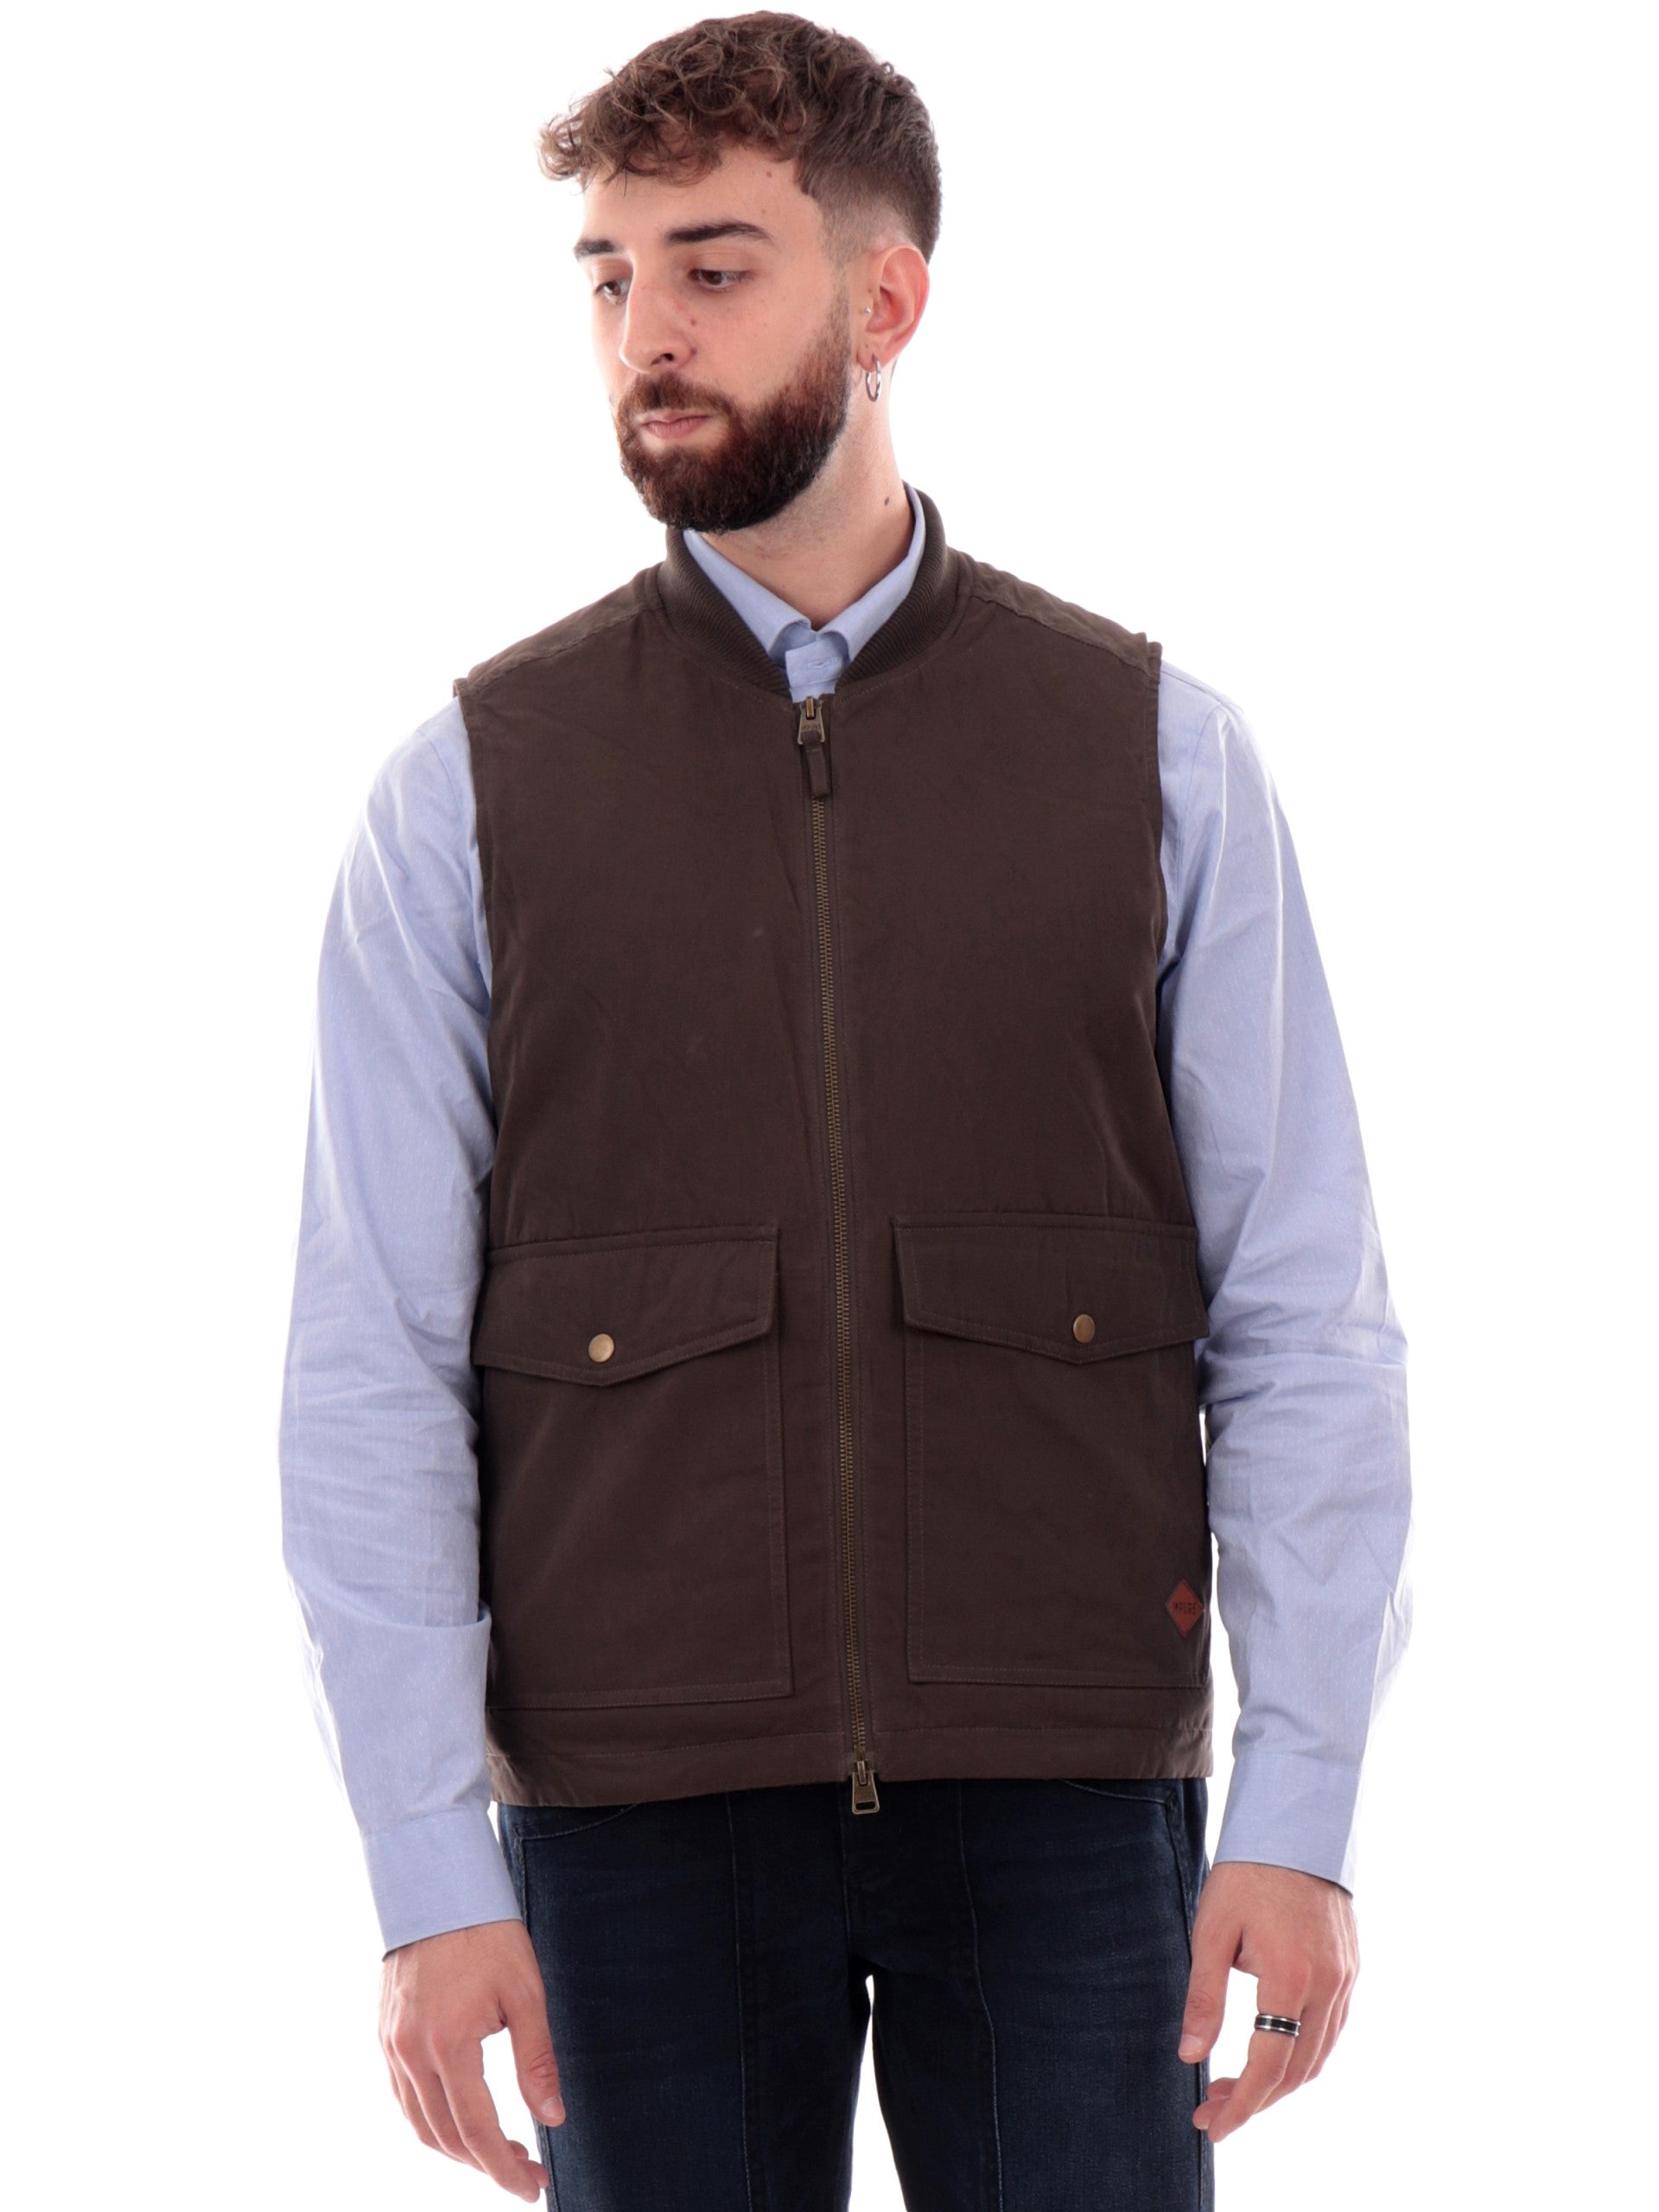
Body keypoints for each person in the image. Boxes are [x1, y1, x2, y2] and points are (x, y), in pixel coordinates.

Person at [278, 14, 1413, 2209]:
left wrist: (1302, 1810)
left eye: (716, 269)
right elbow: (367, 1366)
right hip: (632, 1813)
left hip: (1069, 1792)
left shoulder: (1160, 757)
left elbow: (1309, 1318)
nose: (648, 336)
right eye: (611, 278)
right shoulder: (465, 798)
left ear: (888, 301)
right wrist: (424, 1863)